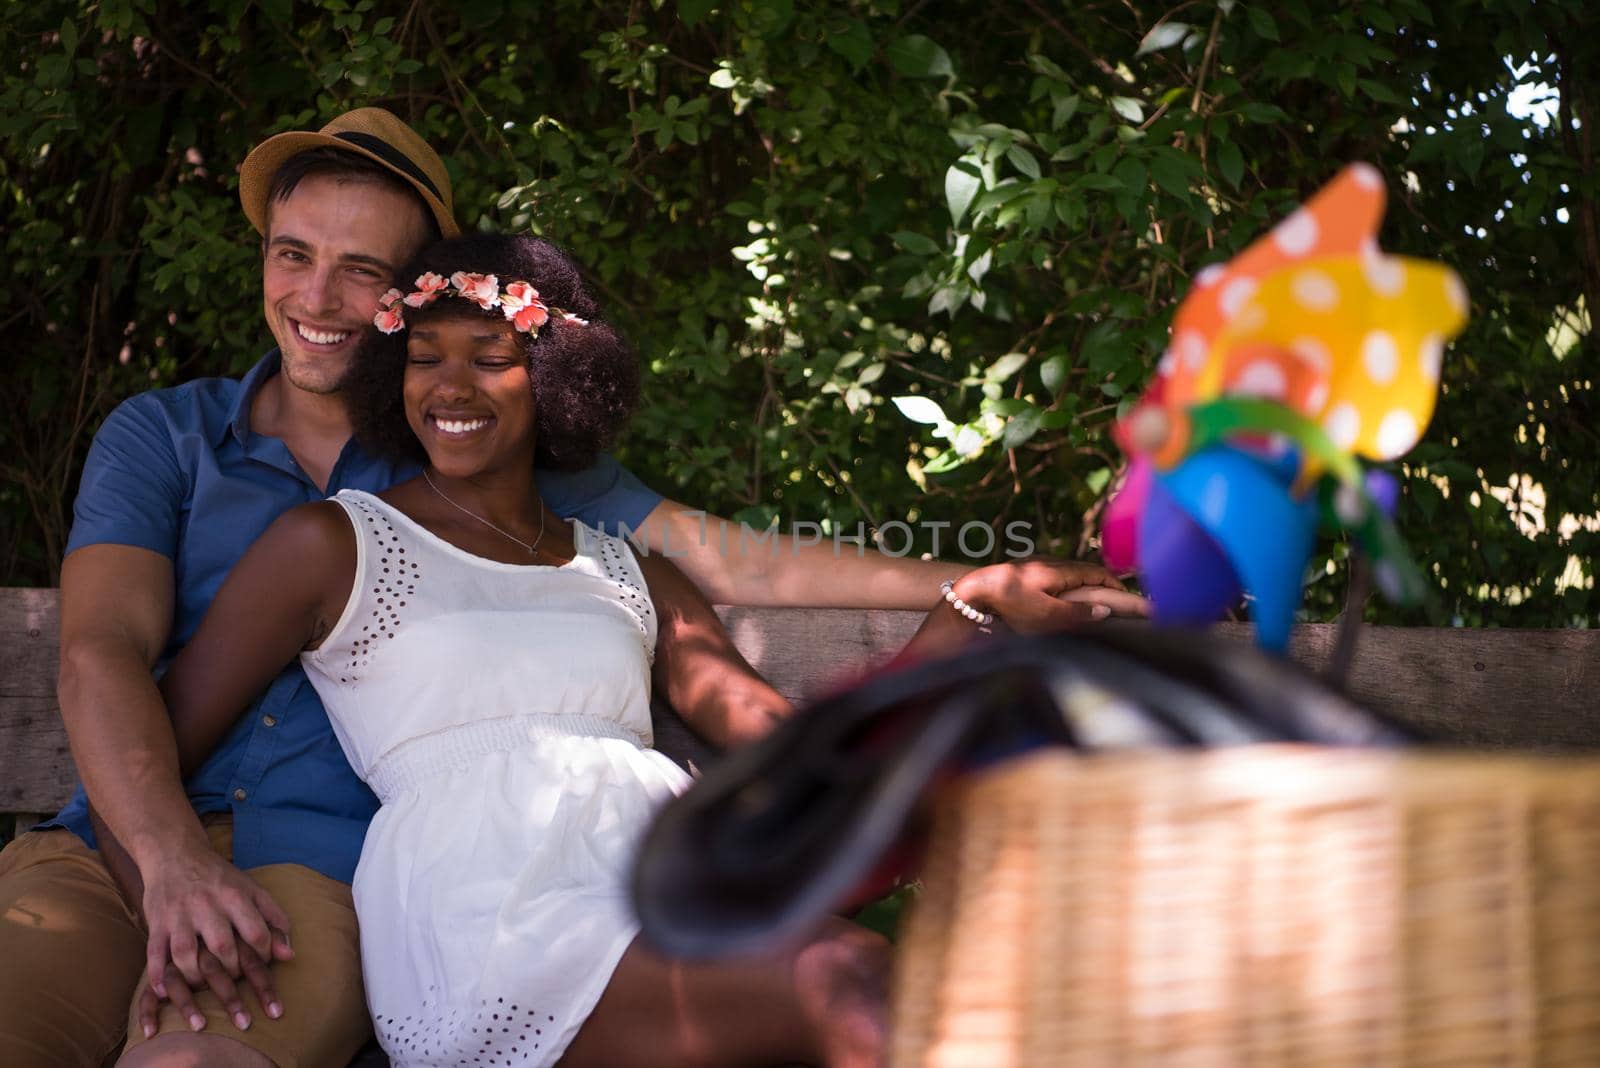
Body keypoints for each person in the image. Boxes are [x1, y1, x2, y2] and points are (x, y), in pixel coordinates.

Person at [0, 108, 1142, 1068]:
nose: (323, 297)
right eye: (294, 255)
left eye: (370, 275)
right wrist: (164, 871)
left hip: (485, 876)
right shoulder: (248, 486)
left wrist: (969, 598)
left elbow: (757, 625)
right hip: (306, 870)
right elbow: (116, 663)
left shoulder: (579, 522)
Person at [152, 231, 986, 1067]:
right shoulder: (335, 542)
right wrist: (161, 880)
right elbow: (161, 733)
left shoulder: (629, 570)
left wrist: (965, 614)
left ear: (551, 378)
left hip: (660, 879)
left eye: (489, 358)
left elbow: (774, 735)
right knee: (846, 973)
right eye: (424, 357)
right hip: (493, 906)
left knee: (897, 983)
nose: (450, 386)